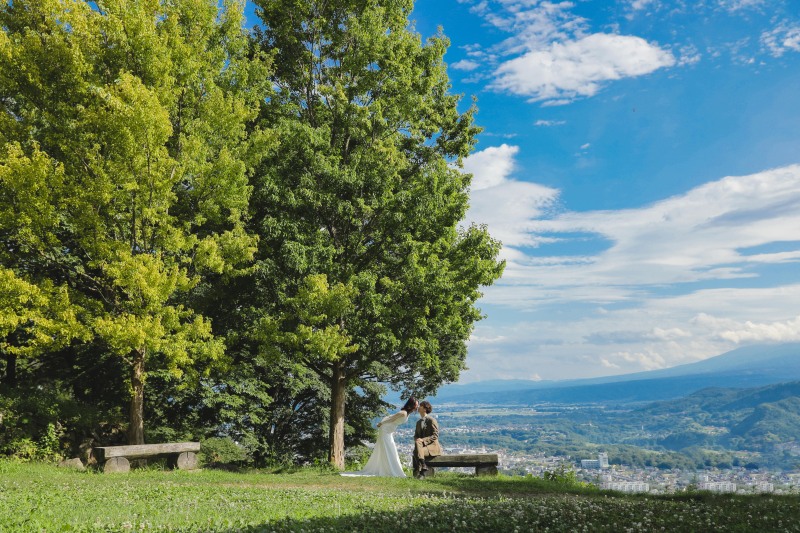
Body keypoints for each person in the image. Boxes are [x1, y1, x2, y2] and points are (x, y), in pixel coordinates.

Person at [340, 397, 418, 477]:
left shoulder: (406, 413)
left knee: (389, 448)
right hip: (385, 429)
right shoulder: (403, 413)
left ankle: (387, 468)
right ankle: (388, 469)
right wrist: (381, 423)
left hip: (389, 430)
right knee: (388, 448)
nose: (417, 407)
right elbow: (391, 418)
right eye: (416, 405)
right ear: (411, 405)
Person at [413, 400, 442, 479]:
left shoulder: (431, 420)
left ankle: (420, 472)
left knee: (416, 451)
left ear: (425, 409)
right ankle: (423, 466)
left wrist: (423, 440)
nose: (418, 407)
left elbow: (435, 435)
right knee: (418, 444)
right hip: (422, 447)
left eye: (420, 406)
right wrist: (418, 439)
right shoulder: (418, 422)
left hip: (432, 447)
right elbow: (416, 436)